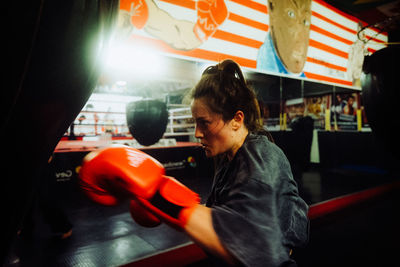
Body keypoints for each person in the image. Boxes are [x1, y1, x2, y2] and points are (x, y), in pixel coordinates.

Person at [79, 59, 309, 266]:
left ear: (237, 120)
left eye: (205, 123)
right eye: (195, 123)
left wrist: (155, 193)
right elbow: (227, 220)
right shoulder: (231, 156)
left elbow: (255, 248)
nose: (197, 133)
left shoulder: (261, 158)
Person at [257, 0, 312, 76]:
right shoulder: (265, 72)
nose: (300, 38)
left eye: (305, 21)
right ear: (271, 7)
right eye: (291, 14)